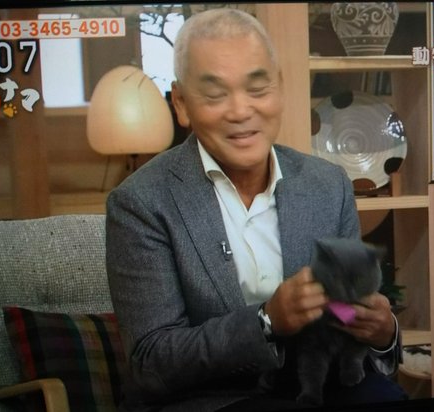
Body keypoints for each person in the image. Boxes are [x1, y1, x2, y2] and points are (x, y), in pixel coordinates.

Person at [105, 8, 406, 412]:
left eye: (258, 89)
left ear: (279, 88)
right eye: (215, 94)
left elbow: (341, 311)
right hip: (209, 399)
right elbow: (151, 361)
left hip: (316, 382)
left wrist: (380, 331)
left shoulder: (327, 184)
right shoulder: (141, 202)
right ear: (181, 103)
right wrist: (266, 321)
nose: (240, 111)